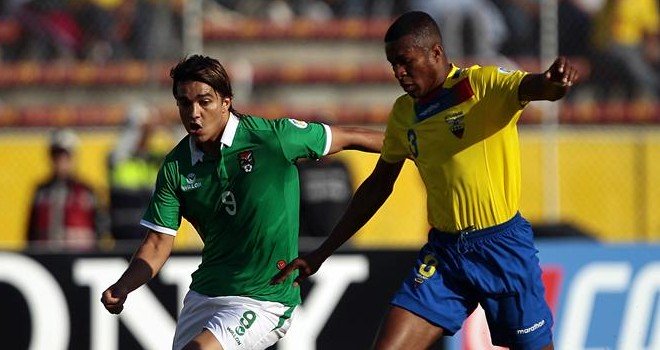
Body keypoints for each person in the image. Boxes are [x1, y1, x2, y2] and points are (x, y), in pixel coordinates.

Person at [273, 11, 578, 350]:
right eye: (392, 65)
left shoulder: (481, 86)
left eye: (405, 62)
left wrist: (554, 83)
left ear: (435, 52)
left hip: (502, 248)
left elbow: (536, 87)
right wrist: (323, 252)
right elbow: (377, 186)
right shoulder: (405, 112)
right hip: (445, 255)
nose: (398, 73)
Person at [100, 54, 383, 350]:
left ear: (226, 102)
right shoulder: (176, 166)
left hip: (265, 298)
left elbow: (350, 136)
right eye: (185, 103)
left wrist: (412, 145)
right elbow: (158, 243)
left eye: (204, 101)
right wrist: (124, 285)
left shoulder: (271, 138)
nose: (194, 113)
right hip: (206, 293)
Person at [27, 128, 106, 251]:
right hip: (45, 258)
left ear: (73, 157)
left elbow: (100, 230)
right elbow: (30, 231)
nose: (61, 161)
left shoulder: (86, 191)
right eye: (56, 156)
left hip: (79, 257)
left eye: (65, 156)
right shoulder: (41, 192)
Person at [108, 102, 165, 242]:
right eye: (143, 130)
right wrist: (137, 124)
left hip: (152, 237)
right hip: (124, 236)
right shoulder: (118, 160)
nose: (147, 135)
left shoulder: (156, 159)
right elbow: (119, 154)